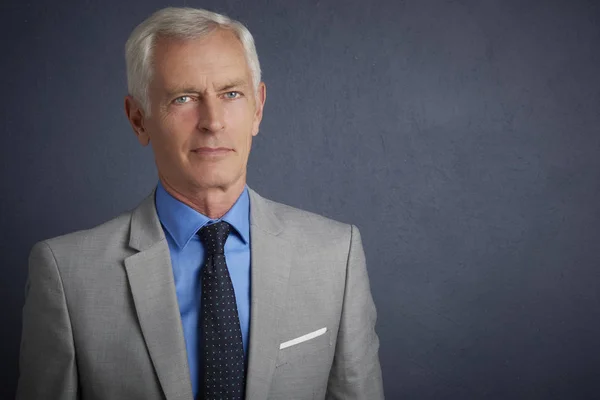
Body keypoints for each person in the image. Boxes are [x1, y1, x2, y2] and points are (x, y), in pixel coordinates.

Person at [16, 7, 383, 400]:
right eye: (184, 98)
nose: (213, 121)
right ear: (138, 119)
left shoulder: (334, 255)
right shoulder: (67, 276)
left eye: (231, 94)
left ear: (258, 108)